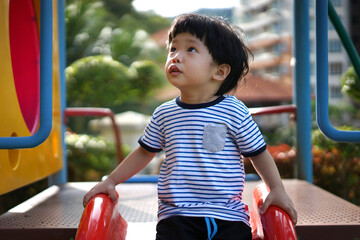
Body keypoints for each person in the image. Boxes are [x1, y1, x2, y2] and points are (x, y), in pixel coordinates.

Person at [83, 13, 297, 240]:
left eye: (190, 50)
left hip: (227, 216)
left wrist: (276, 190)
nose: (176, 57)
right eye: (173, 49)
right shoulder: (164, 113)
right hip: (176, 216)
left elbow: (258, 153)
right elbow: (145, 152)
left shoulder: (234, 111)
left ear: (219, 71)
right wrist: (110, 181)